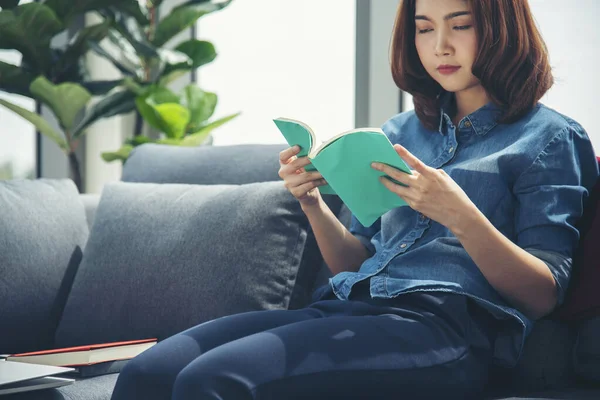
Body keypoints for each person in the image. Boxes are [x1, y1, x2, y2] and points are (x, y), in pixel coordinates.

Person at [110, 0, 599, 399]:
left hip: (446, 331)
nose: (440, 46)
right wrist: (312, 205)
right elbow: (353, 261)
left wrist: (460, 214)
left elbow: (543, 292)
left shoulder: (551, 139)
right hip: (351, 308)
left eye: (461, 25)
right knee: (147, 375)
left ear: (501, 27)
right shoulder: (399, 133)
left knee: (211, 380)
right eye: (424, 29)